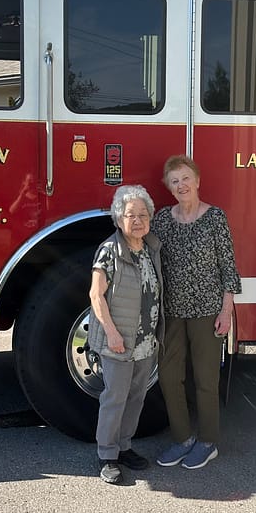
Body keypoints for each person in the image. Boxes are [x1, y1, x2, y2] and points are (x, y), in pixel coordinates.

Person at [151, 155, 241, 470]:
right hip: (172, 312)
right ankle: (183, 438)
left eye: (186, 178)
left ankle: (207, 441)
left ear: (197, 181)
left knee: (205, 379)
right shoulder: (162, 219)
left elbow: (228, 266)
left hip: (207, 311)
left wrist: (226, 310)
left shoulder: (215, 217)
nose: (181, 185)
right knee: (169, 377)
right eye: (174, 181)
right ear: (169, 187)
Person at [87, 184, 164, 485]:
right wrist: (112, 334)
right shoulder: (110, 250)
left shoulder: (150, 248)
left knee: (135, 397)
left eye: (143, 215)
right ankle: (107, 455)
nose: (137, 221)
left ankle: (125, 447)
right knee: (114, 397)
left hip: (145, 341)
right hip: (119, 341)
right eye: (130, 215)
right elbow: (96, 295)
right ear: (118, 218)